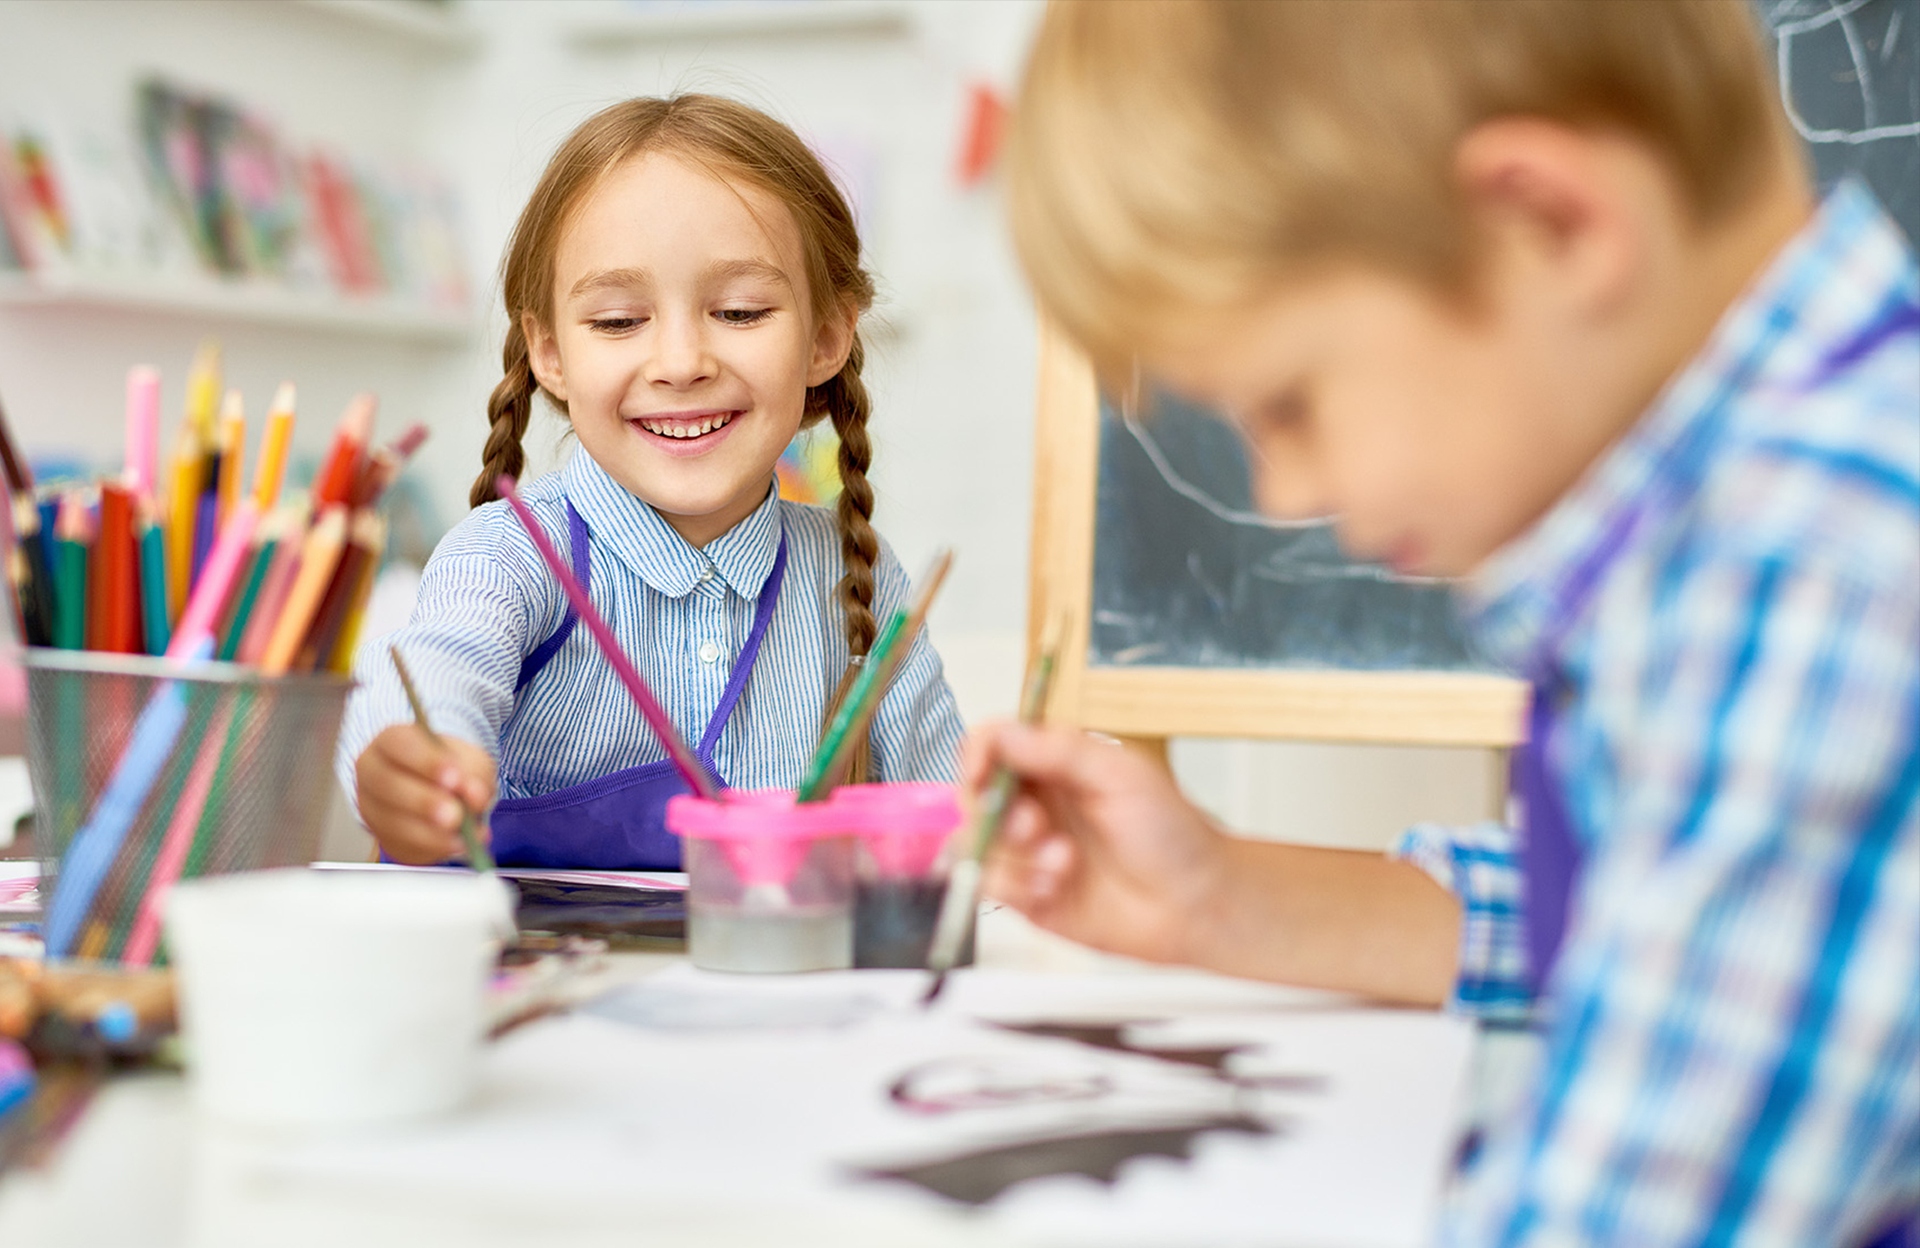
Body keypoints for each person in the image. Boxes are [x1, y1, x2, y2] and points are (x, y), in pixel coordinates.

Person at [978, 2, 1918, 1244]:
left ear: (1548, 224)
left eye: (1290, 404)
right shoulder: (1769, 495)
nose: (1284, 494)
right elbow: (1641, 915)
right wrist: (1223, 898)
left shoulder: (1814, 571)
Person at [338, 95, 964, 869]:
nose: (679, 362)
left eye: (738, 311)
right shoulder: (508, 559)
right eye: (617, 321)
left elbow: (955, 832)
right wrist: (409, 763)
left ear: (828, 335)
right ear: (551, 353)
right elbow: (433, 685)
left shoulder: (863, 579)